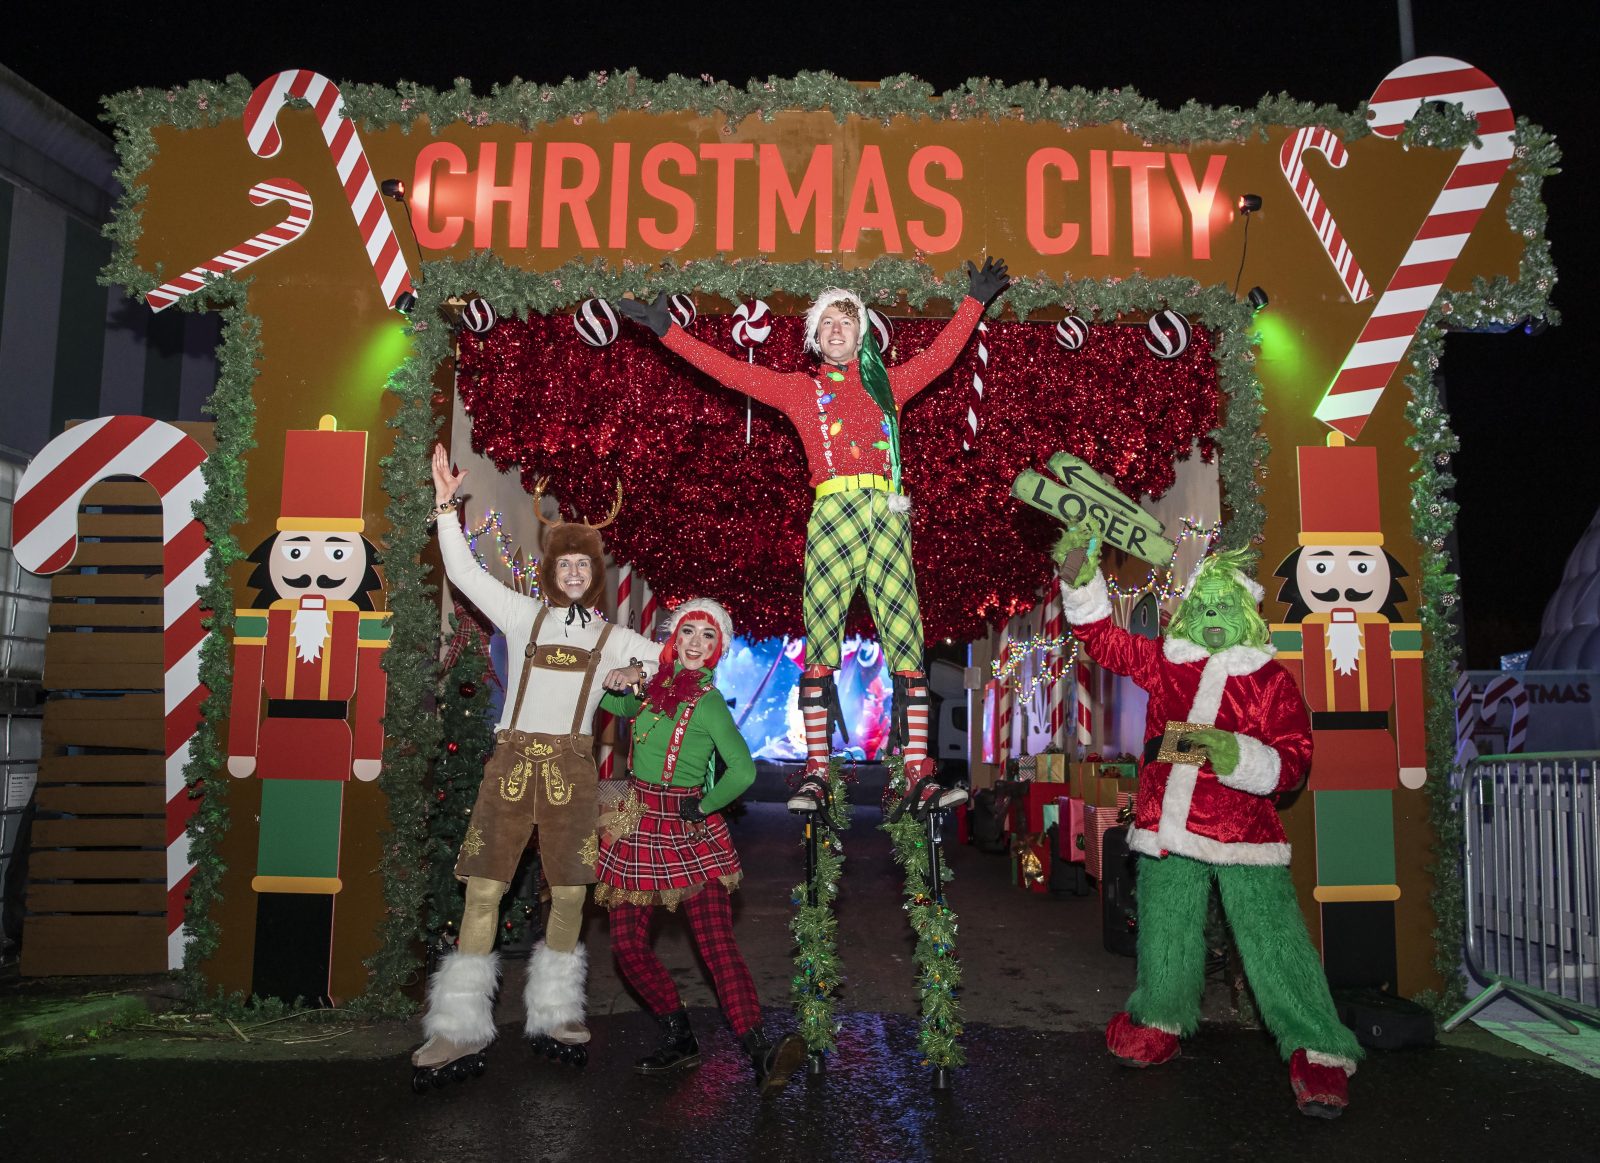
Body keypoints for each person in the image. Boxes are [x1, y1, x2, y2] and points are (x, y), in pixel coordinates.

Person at [619, 260, 1010, 814]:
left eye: (846, 320)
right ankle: (818, 771)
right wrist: (669, 333)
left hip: (887, 515)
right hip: (831, 515)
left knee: (906, 643)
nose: (836, 328)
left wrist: (973, 302)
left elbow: (942, 356)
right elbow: (731, 373)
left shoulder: (889, 385)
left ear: (862, 333)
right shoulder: (801, 391)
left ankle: (917, 772)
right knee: (822, 642)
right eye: (827, 322)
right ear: (815, 337)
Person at [1059, 532, 1364, 1118]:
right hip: (1167, 830)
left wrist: (1239, 756)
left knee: (1275, 943)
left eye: (1226, 607)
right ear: (1189, 612)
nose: (1214, 617)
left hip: (1244, 835)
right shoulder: (1165, 662)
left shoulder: (1270, 681)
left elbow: (1293, 762)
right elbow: (1102, 639)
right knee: (1165, 935)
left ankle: (1319, 1049)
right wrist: (1080, 576)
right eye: (1205, 606)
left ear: (1246, 613)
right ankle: (1159, 1019)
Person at [411, 443, 659, 1088]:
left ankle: (555, 1012)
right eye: (565, 563)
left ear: (595, 574)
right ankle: (457, 1025)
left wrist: (638, 670)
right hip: (512, 764)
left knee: (571, 892)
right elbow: (464, 573)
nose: (574, 572)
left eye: (584, 564)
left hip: (573, 772)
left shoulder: (611, 638)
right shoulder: (523, 615)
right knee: (484, 889)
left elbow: (679, 657)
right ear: (552, 571)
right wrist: (446, 508)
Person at [594, 597, 807, 1095]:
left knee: (716, 946)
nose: (696, 642)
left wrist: (704, 805)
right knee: (627, 947)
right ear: (674, 637)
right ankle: (679, 1035)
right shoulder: (651, 690)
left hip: (689, 831)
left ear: (718, 649)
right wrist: (628, 672)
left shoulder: (709, 703)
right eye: (688, 631)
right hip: (637, 826)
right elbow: (608, 700)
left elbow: (744, 771)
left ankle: (760, 1050)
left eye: (708, 636)